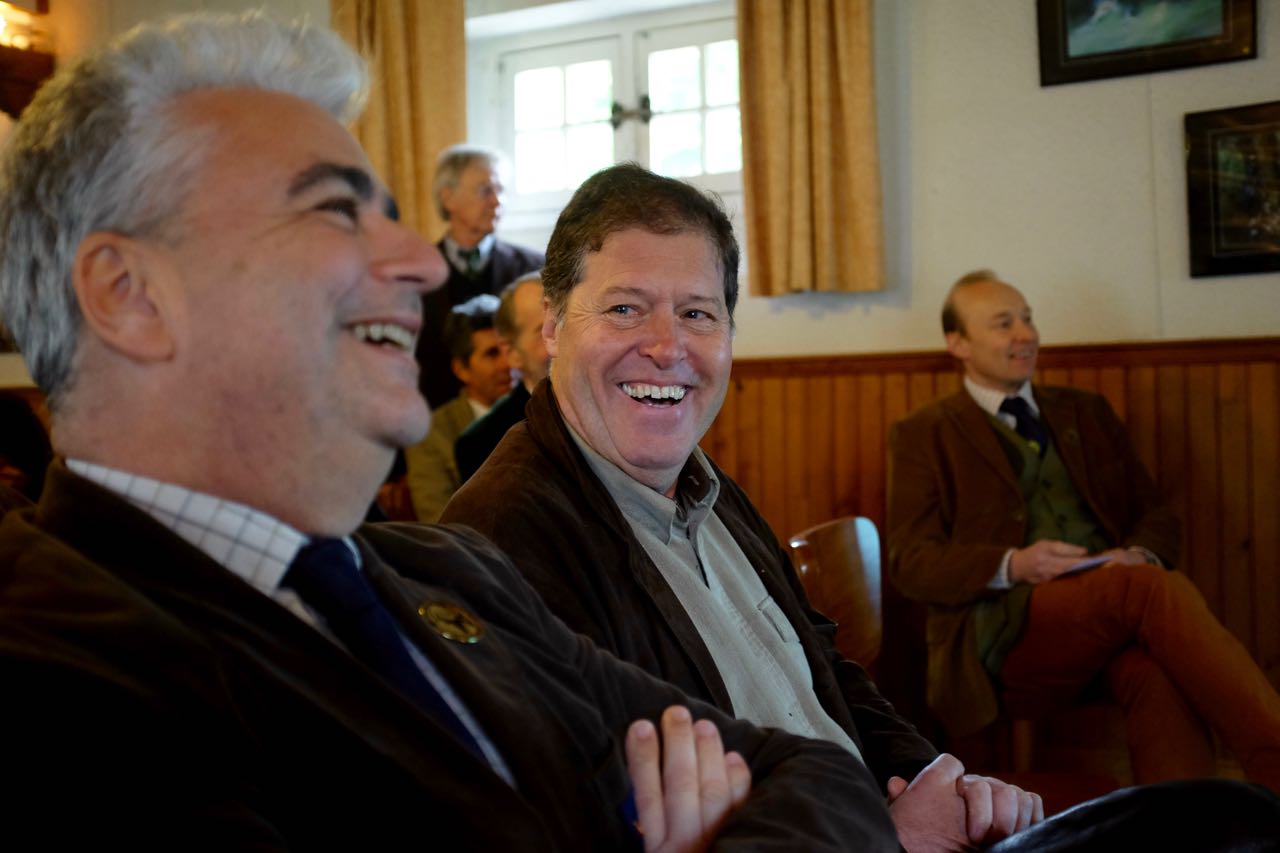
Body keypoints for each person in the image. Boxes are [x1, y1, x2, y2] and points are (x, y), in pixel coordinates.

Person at [0, 14, 909, 848]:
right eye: (334, 210)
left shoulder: (447, 571)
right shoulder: (57, 683)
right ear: (129, 295)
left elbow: (815, 768)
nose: (423, 263)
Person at [885, 269, 1280, 791]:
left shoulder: (1086, 412)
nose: (1025, 334)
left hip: (1111, 605)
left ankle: (1189, 826)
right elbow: (910, 562)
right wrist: (1015, 564)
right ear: (958, 343)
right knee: (1141, 591)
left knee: (1149, 668)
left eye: (1028, 319)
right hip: (999, 628)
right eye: (1004, 324)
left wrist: (1140, 553)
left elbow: (1155, 514)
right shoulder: (924, 433)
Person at [415, 145, 543, 410]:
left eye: (500, 190)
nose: (497, 201)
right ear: (448, 198)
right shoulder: (416, 273)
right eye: (486, 190)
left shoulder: (534, 268)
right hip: (440, 421)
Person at [404, 294, 510, 521]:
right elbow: (438, 521)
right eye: (492, 353)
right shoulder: (431, 434)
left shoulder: (535, 409)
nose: (507, 363)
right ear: (461, 369)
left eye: (508, 348)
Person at [454, 271, 550, 482]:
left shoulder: (614, 403)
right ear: (512, 353)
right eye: (544, 331)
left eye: (568, 324)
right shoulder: (483, 444)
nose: (565, 342)